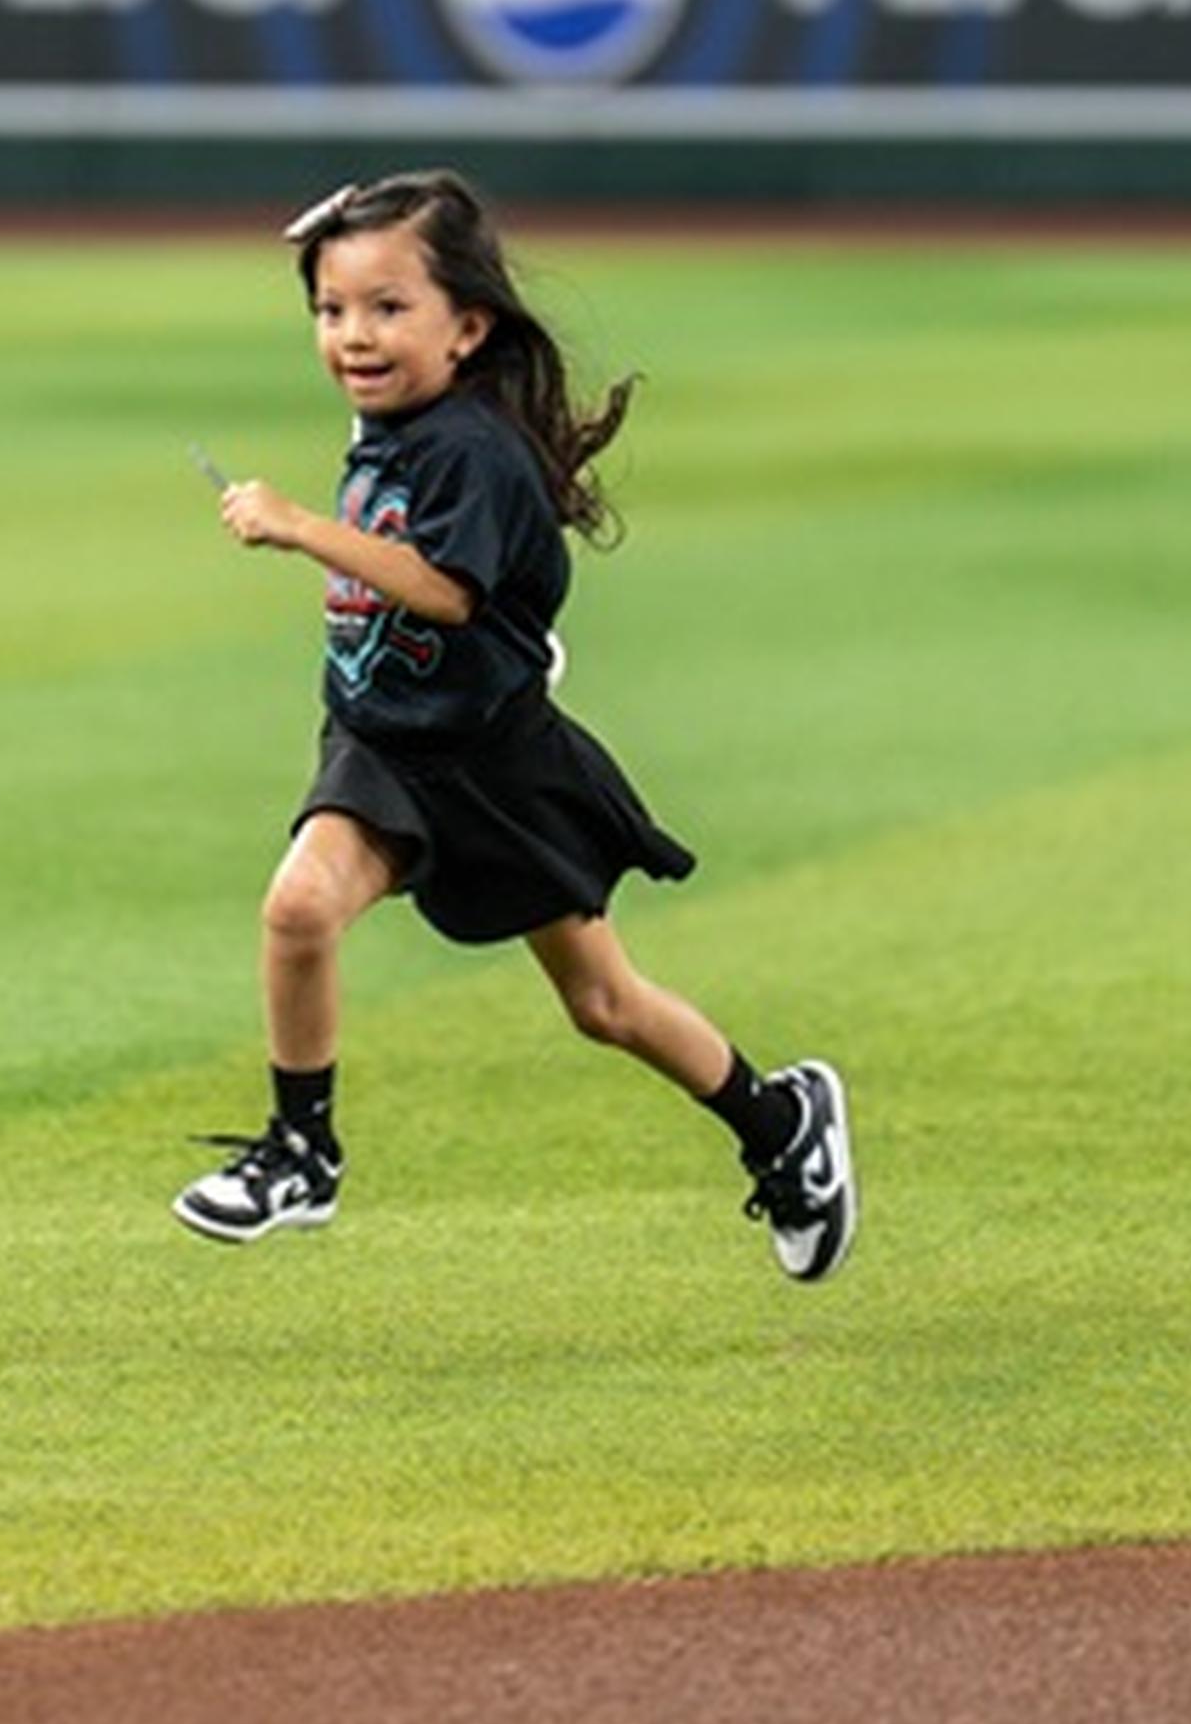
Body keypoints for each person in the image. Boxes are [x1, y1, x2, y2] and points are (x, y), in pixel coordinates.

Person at [177, 172, 859, 1283]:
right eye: (331, 310)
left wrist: (301, 526)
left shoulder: (471, 449)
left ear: (471, 325)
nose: (353, 334)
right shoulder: (395, 419)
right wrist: (340, 233)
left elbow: (446, 589)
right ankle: (302, 1150)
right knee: (299, 906)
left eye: (390, 308)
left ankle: (778, 1120)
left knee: (605, 1003)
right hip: (385, 748)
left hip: (494, 768)